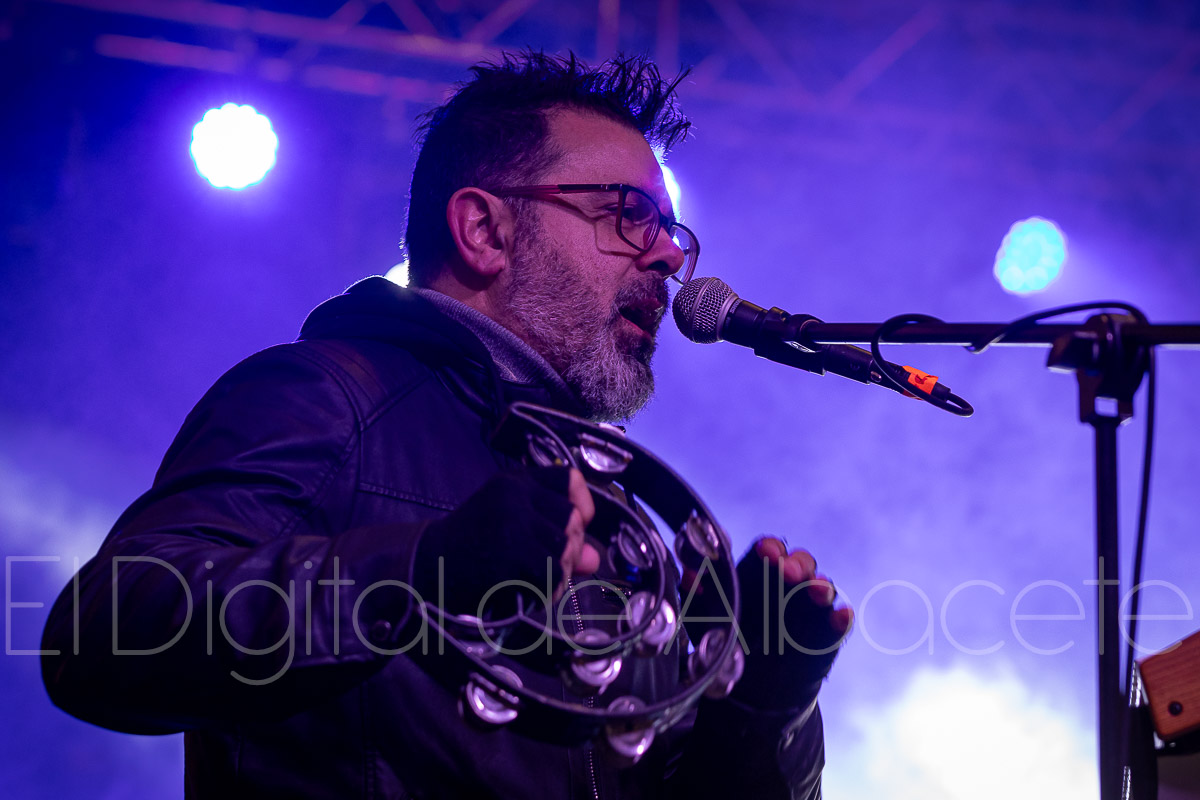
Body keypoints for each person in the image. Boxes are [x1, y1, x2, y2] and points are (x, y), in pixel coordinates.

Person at [41, 51, 853, 799]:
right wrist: (421, 569)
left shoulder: (618, 508)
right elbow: (104, 631)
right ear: (485, 231)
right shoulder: (330, 395)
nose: (669, 257)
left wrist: (760, 710)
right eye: (628, 213)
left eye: (669, 228)